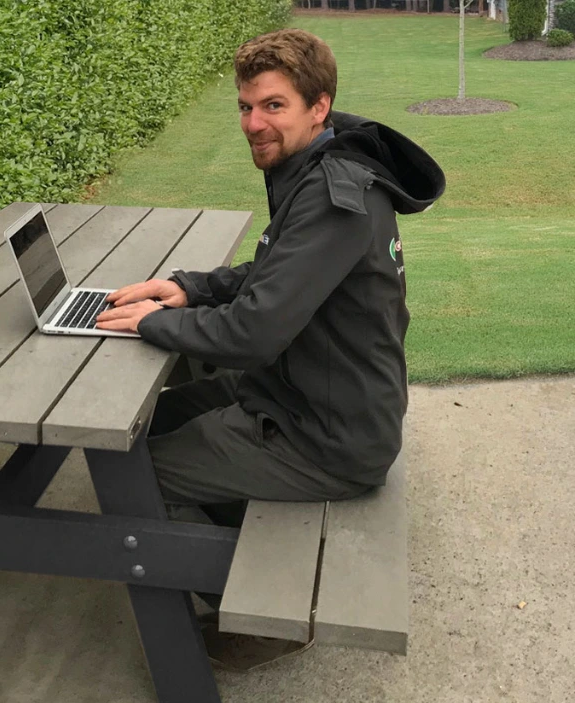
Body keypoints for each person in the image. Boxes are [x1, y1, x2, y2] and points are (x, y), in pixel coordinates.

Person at [96, 28, 446, 526]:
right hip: (296, 392)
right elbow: (277, 271)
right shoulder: (317, 163)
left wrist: (150, 321)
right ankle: (224, 517)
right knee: (151, 421)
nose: (254, 124)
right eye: (246, 107)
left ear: (319, 107)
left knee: (127, 473)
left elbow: (251, 333)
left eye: (273, 106)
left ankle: (219, 572)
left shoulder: (335, 199)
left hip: (327, 439)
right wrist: (188, 289)